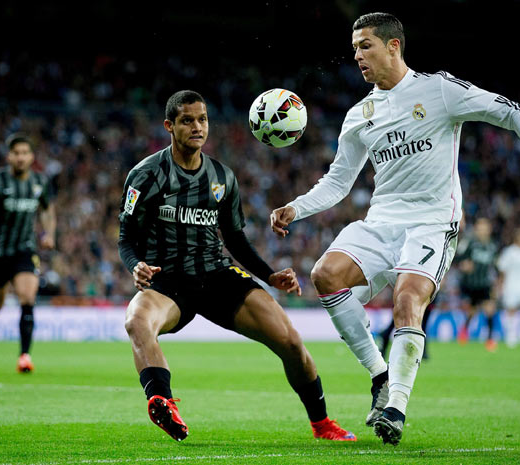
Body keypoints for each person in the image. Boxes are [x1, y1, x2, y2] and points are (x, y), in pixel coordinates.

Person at [270, 12, 520, 446]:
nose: (357, 56)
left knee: (408, 298)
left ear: (393, 46)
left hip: (431, 223)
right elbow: (338, 181)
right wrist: (296, 208)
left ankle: (396, 408)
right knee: (325, 275)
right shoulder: (360, 115)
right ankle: (380, 375)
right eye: (354, 48)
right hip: (381, 220)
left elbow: (507, 109)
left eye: (365, 46)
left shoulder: (439, 90)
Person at [118, 90, 355, 442]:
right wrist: (136, 265)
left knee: (289, 341)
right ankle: (162, 402)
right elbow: (126, 238)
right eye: (187, 120)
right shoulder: (147, 176)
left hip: (218, 277)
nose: (197, 127)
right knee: (137, 321)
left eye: (202, 120)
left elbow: (235, 238)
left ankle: (322, 424)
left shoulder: (222, 177)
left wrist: (270, 274)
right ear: (169, 126)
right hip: (167, 282)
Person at [0, 134, 56, 373]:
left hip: (24, 250)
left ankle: (24, 356)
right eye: (16, 153)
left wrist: (48, 233)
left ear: (31, 156)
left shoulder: (39, 183)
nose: (21, 158)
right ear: (9, 156)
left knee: (27, 297)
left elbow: (47, 210)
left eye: (25, 153)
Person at [456, 218, 499, 351]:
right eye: (480, 227)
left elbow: (495, 265)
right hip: (471, 283)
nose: (482, 229)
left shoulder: (492, 245)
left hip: (485, 283)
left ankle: (490, 339)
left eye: (485, 227)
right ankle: (464, 329)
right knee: (472, 311)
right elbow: (458, 256)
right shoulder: (469, 242)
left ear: (489, 229)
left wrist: (498, 281)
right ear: (476, 228)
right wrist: (463, 264)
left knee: (490, 309)